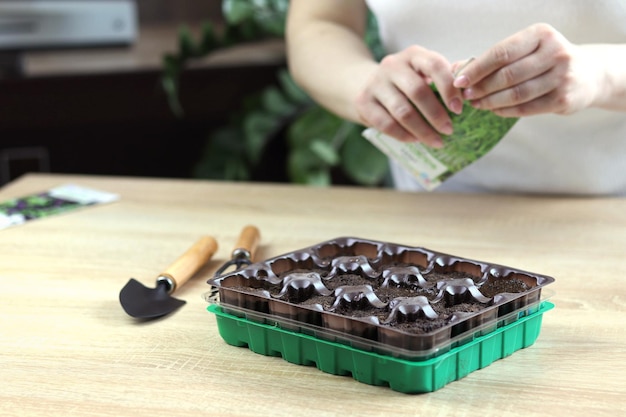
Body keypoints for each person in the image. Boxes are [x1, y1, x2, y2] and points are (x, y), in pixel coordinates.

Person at [285, 0, 626, 194]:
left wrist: (603, 75)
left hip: (610, 211)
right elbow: (322, 21)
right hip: (433, 218)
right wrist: (363, 83)